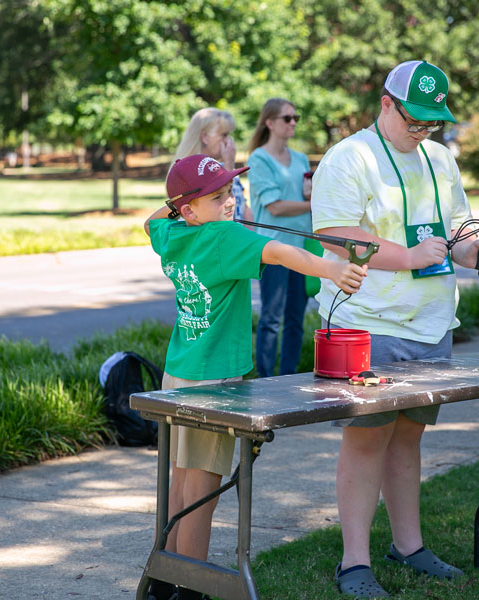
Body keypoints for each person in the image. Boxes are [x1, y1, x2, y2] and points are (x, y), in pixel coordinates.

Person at [311, 60, 479, 597]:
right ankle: (354, 563)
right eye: (414, 121)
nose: (422, 132)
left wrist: (471, 250)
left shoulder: (440, 158)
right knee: (366, 438)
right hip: (367, 323)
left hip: (431, 323)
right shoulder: (349, 157)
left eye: (431, 123)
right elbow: (333, 234)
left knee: (410, 436)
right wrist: (410, 256)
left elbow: (456, 226)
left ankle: (408, 546)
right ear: (387, 104)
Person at [144, 154, 367, 600]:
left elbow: (153, 218)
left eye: (231, 193)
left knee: (181, 479)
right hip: (214, 384)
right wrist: (332, 268)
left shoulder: (172, 234)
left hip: (179, 377)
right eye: (218, 196)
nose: (230, 202)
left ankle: (164, 582)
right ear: (190, 209)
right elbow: (280, 252)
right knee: (203, 489)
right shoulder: (225, 236)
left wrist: (185, 204)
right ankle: (192, 587)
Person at [247, 98, 312, 378]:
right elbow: (275, 206)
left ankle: (288, 377)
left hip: (302, 247)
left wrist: (310, 195)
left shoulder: (301, 159)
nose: (293, 122)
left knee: (296, 320)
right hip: (272, 249)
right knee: (272, 320)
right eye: (287, 118)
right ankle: (265, 379)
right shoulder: (258, 159)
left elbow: (301, 196)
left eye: (295, 117)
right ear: (269, 122)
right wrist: (313, 203)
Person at [173, 107, 254, 224]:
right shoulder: (189, 174)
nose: (229, 141)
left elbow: (242, 207)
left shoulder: (220, 166)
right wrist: (229, 166)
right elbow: (224, 213)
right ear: (205, 137)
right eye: (224, 135)